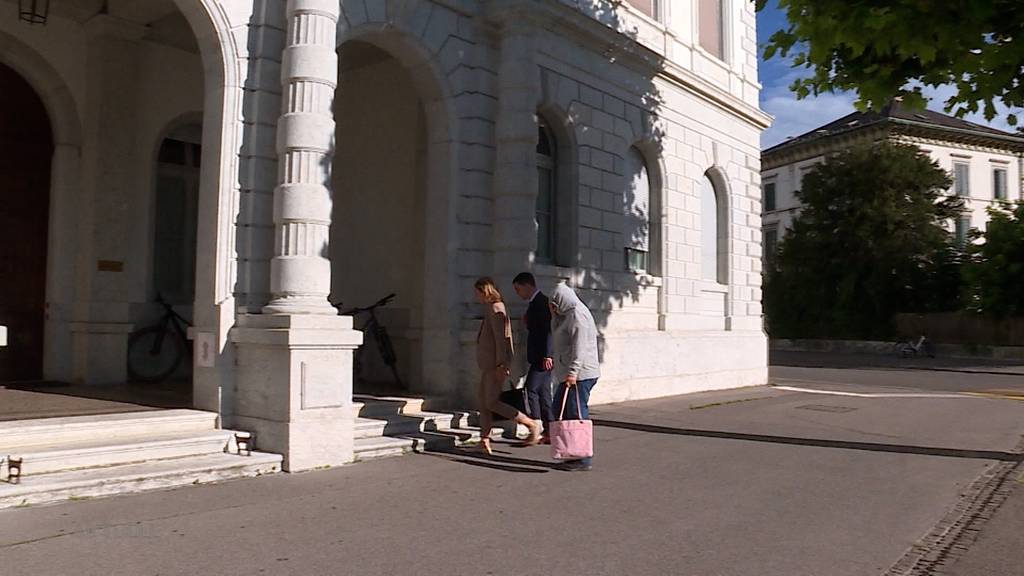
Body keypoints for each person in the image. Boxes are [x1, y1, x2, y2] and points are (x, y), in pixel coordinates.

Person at [473, 277, 541, 455]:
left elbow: (503, 340)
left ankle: (530, 423)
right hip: (488, 365)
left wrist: (502, 365)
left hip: (495, 365)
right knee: (483, 402)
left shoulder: (496, 308)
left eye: (477, 292)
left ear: (484, 291)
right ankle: (484, 440)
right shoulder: (491, 308)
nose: (475, 297)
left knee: (492, 402)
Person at [549, 283, 601, 471]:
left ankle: (583, 457)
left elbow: (580, 348)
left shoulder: (577, 315)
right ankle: (572, 452)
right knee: (562, 410)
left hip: (580, 374)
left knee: (576, 413)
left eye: (554, 303)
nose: (552, 308)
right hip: (572, 374)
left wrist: (572, 372)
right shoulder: (566, 315)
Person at [512, 272, 553, 443]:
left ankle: (536, 427)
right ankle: (551, 430)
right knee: (543, 393)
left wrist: (548, 354)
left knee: (530, 390)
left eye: (518, 289)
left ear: (527, 285)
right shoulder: (535, 303)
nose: (517, 293)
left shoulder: (540, 302)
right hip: (540, 354)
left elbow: (547, 330)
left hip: (542, 355)